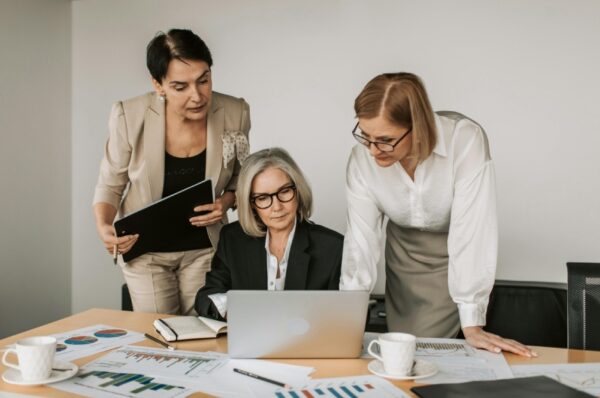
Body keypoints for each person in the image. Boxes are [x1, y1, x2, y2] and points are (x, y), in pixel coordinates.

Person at [340, 72, 535, 357]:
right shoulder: (361, 161)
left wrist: (472, 322)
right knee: (406, 350)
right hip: (404, 254)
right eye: (365, 136)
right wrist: (348, 321)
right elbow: (361, 242)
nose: (372, 150)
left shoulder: (464, 140)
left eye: (385, 140)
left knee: (435, 353)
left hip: (455, 249)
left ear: (416, 127)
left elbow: (472, 230)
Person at [93, 29, 250, 315]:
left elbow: (242, 179)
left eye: (204, 80)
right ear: (158, 84)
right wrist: (104, 227)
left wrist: (225, 203)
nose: (198, 95)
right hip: (145, 251)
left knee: (204, 333)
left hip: (205, 248)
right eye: (181, 87)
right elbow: (110, 184)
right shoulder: (129, 115)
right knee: (161, 334)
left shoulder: (235, 111)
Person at [195, 148, 343, 320]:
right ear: (251, 204)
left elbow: (347, 315)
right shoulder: (233, 238)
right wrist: (234, 307)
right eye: (263, 198)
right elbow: (206, 297)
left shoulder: (333, 247)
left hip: (306, 344)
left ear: (298, 191)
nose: (277, 207)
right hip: (248, 343)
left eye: (284, 191)